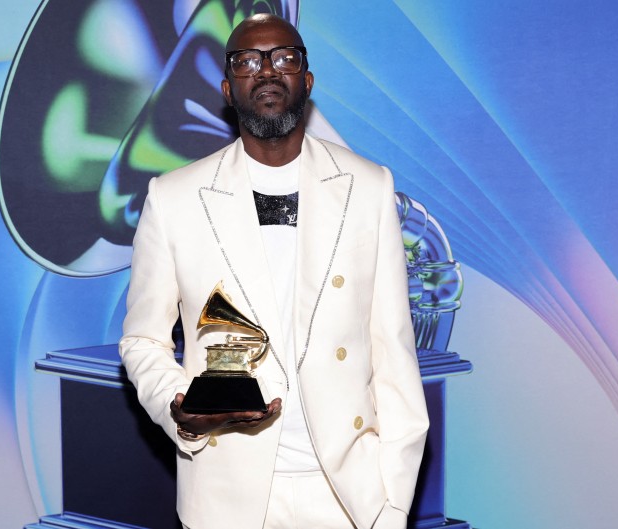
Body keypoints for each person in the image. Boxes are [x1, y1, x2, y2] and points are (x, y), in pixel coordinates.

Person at [119, 13, 429, 529]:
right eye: (247, 61)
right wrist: (178, 407)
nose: (267, 71)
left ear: (306, 80)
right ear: (227, 86)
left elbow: (393, 351)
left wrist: (391, 502)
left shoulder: (367, 186)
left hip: (348, 496)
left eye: (284, 57)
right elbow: (142, 340)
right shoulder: (173, 199)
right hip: (226, 494)